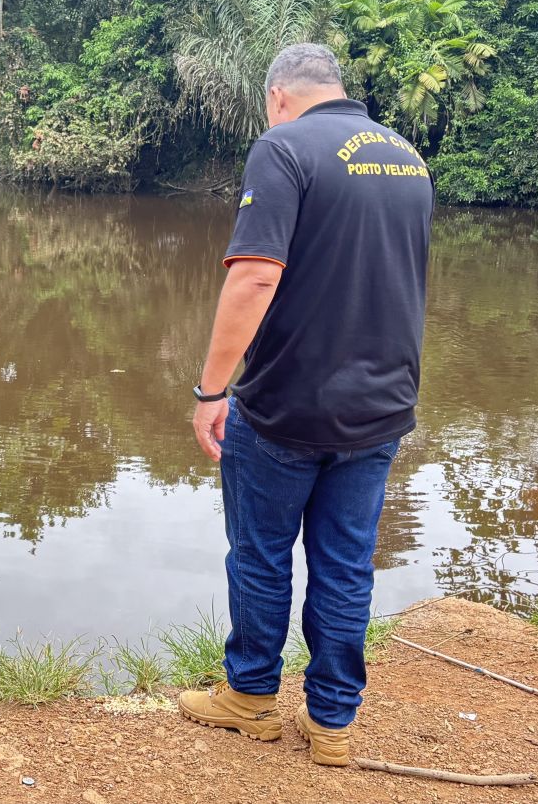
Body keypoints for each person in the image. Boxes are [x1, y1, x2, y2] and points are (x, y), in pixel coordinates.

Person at [178, 43, 434, 766]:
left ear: (278, 96)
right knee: (346, 565)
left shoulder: (283, 148)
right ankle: (332, 725)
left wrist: (211, 390)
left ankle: (251, 700)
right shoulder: (406, 156)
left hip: (288, 406)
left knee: (260, 557)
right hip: (382, 406)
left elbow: (255, 278)